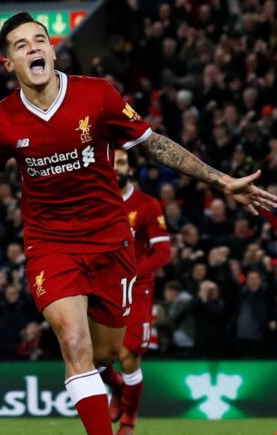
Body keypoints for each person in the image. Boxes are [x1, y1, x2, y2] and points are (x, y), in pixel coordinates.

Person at [0, 12, 277, 435]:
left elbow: (153, 144)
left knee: (104, 354)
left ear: (52, 50)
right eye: (21, 45)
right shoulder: (3, 119)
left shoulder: (96, 95)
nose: (34, 48)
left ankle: (106, 385)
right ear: (9, 64)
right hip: (51, 246)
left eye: (40, 40)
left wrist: (221, 180)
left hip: (111, 241)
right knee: (74, 342)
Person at [100, 149, 171, 435]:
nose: (116, 168)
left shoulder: (146, 204)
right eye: (111, 162)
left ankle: (128, 422)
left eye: (121, 162)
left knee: (129, 355)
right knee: (94, 357)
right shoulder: (96, 202)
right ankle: (117, 386)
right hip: (101, 285)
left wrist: (132, 272)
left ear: (129, 167)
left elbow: (163, 252)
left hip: (136, 287)